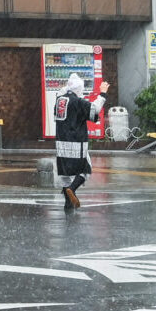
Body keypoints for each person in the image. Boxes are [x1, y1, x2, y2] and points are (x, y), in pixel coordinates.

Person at [54, 74, 95, 211]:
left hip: (61, 144)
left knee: (65, 174)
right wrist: (103, 94)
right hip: (77, 143)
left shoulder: (59, 100)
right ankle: (72, 189)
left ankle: (68, 204)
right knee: (86, 168)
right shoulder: (77, 102)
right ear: (79, 89)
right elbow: (94, 111)